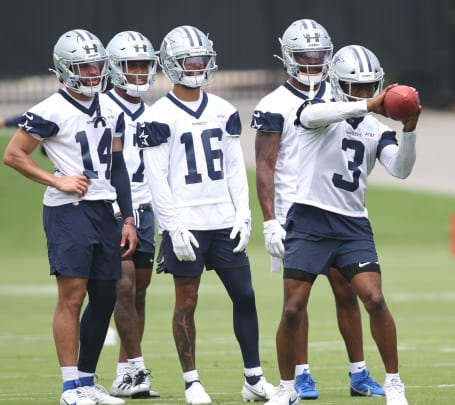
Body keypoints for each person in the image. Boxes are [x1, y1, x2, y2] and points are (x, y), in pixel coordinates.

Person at [264, 44, 418, 405]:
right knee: (292, 308)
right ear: (337, 83)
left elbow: (402, 169)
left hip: (352, 225)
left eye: (369, 87)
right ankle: (287, 387)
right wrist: (367, 105)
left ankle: (394, 383)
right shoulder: (315, 110)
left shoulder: (375, 129)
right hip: (310, 218)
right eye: (357, 86)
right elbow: (319, 115)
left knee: (375, 299)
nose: (365, 93)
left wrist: (409, 130)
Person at [136, 25, 275, 404]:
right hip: (187, 223)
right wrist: (172, 225)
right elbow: (156, 177)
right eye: (189, 60)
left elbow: (234, 168)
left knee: (245, 295)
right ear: (172, 64)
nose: (197, 66)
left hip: (222, 219)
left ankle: (254, 379)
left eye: (201, 60)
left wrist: (243, 215)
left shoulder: (224, 109)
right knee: (187, 301)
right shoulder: (157, 116)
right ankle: (193, 382)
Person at [252, 18, 384, 400]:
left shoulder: (339, 93)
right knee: (298, 300)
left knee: (348, 290)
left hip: (336, 209)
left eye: (319, 56)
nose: (312, 64)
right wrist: (271, 219)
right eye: (304, 57)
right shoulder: (273, 104)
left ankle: (359, 372)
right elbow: (266, 165)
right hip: (296, 214)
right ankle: (301, 373)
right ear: (288, 57)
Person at [3, 29, 136, 405]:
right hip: (69, 212)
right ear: (66, 69)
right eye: (84, 67)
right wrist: (56, 180)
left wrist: (127, 218)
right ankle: (69, 387)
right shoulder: (51, 109)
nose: (93, 73)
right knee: (73, 296)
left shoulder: (111, 107)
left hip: (105, 210)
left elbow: (119, 166)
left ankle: (88, 380)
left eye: (97, 66)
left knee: (106, 296)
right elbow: (14, 154)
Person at [102, 30, 160, 398]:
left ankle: (124, 373)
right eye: (131, 65)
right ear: (115, 67)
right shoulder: (102, 107)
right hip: (112, 210)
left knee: (139, 292)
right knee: (121, 287)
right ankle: (137, 371)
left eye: (144, 65)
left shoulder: (154, 113)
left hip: (146, 208)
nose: (139, 72)